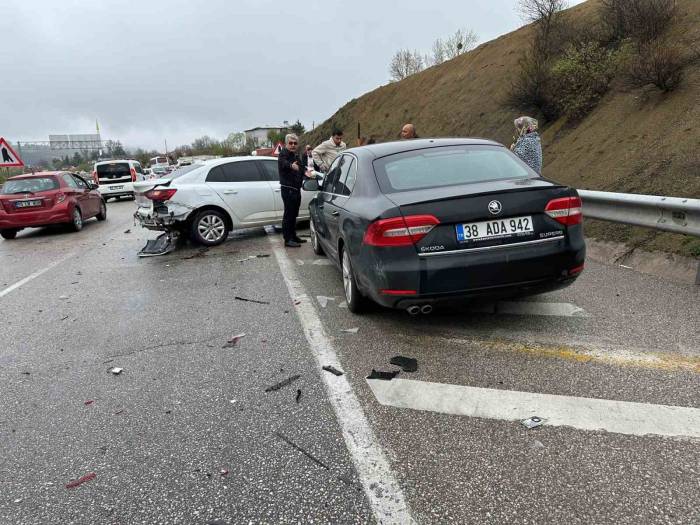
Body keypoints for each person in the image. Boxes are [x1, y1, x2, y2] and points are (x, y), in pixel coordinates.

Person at [278, 134, 312, 248]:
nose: (293, 145)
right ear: (286, 143)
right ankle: (287, 239)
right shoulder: (283, 154)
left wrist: (306, 173)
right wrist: (291, 166)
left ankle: (293, 236)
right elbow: (284, 163)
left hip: (296, 189)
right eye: (290, 143)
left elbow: (301, 167)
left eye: (295, 143)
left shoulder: (295, 155)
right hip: (288, 189)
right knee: (288, 214)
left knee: (294, 214)